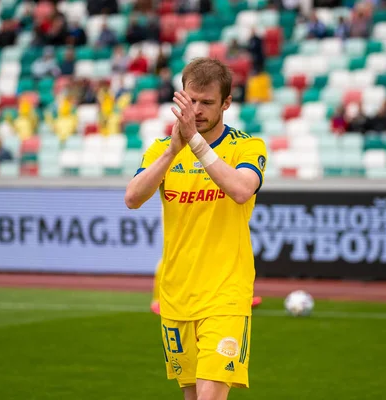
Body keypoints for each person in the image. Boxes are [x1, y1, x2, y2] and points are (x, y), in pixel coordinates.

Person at [125, 57, 267, 399]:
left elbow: (241, 190)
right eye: (192, 101)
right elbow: (132, 197)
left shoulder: (247, 147)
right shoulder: (162, 149)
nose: (198, 110)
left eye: (208, 102)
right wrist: (175, 148)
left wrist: (196, 144)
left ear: (227, 103)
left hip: (225, 295)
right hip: (177, 296)